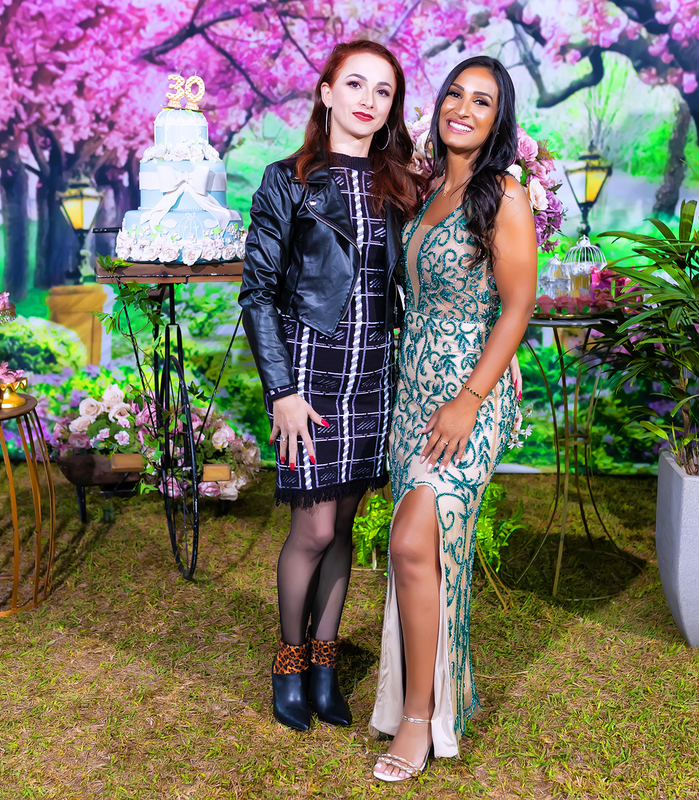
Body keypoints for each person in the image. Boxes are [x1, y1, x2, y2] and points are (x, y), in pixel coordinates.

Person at [239, 40, 421, 733]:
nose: (368, 100)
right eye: (355, 84)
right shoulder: (287, 180)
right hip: (309, 377)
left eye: (383, 90)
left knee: (342, 526)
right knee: (312, 528)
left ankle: (324, 662)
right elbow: (258, 293)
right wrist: (281, 390)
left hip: (372, 374)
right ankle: (288, 662)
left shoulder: (399, 186)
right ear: (325, 92)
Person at [369, 56, 537, 781]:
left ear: (499, 120)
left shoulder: (506, 196)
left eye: (482, 101)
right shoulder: (430, 190)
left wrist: (470, 399)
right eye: (455, 95)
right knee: (416, 552)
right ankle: (423, 698)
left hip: (471, 394)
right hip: (414, 391)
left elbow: (518, 307)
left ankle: (419, 718)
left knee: (413, 540)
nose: (463, 109)